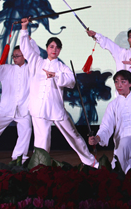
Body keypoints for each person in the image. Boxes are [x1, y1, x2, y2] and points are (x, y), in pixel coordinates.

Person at [19, 18, 97, 167]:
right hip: (38, 109)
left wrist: (55, 75)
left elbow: (71, 81)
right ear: (47, 48)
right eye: (52, 46)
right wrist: (24, 27)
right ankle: (40, 167)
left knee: (73, 136)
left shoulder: (62, 67)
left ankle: (91, 162)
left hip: (56, 108)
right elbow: (26, 48)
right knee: (42, 141)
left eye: (57, 47)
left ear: (60, 50)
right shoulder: (37, 61)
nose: (54, 50)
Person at [88, 68, 131, 171]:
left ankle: (115, 173)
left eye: (123, 82)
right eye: (116, 82)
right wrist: (97, 138)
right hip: (121, 148)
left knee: (126, 142)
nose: (119, 85)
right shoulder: (113, 105)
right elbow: (106, 126)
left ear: (130, 84)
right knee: (123, 156)